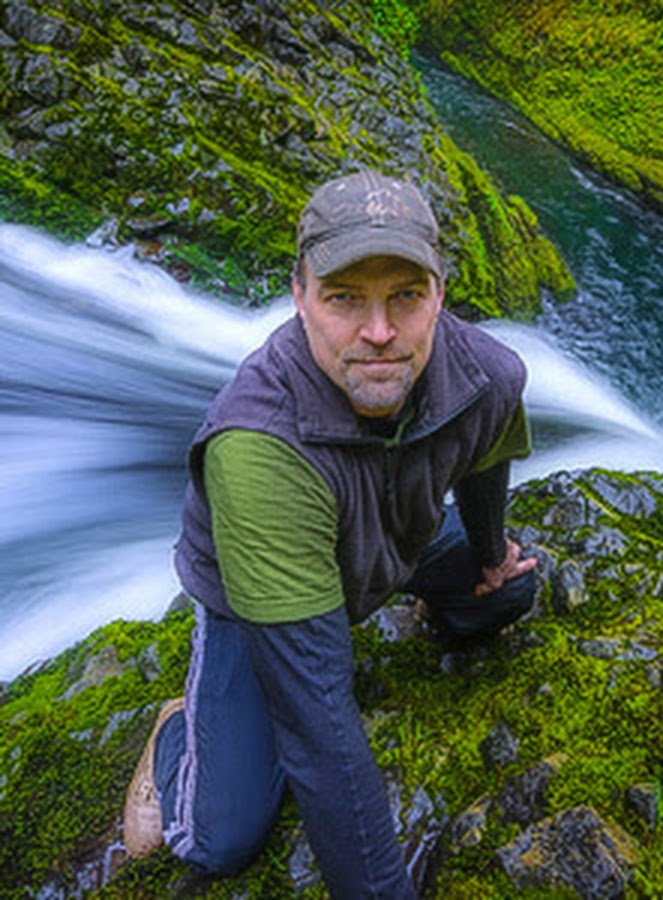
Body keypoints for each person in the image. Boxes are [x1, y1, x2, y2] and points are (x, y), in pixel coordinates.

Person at [122, 169, 538, 896]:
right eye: (345, 298)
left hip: (393, 536)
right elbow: (320, 723)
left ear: (440, 295)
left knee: (507, 594)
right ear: (299, 297)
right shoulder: (258, 447)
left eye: (405, 296)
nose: (379, 333)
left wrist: (488, 551)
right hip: (261, 589)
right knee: (219, 841)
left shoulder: (489, 375)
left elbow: (483, 462)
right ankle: (176, 732)